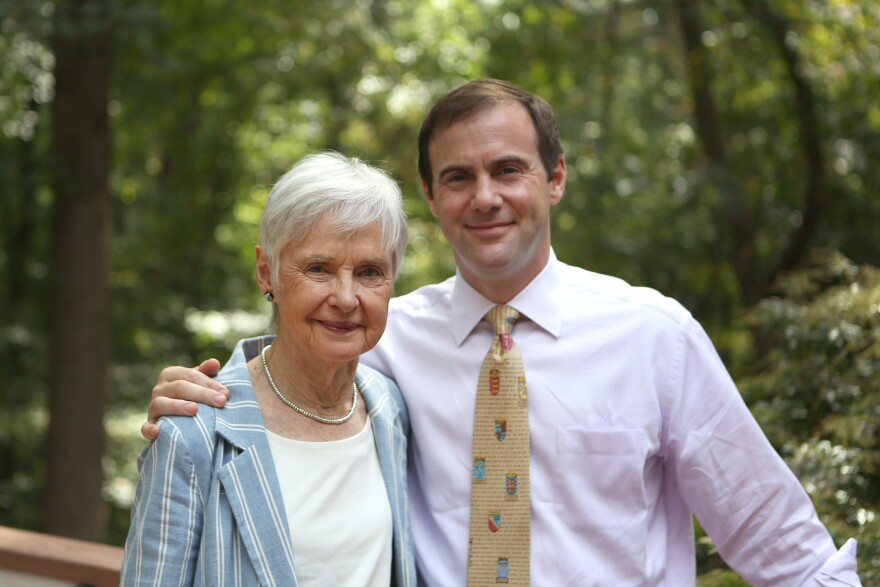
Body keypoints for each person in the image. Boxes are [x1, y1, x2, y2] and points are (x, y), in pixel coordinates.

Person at [143, 80, 861, 585]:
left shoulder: (654, 338)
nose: (484, 197)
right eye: (458, 177)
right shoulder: (385, 346)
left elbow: (789, 555)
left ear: (554, 180)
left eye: (508, 170)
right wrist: (192, 398)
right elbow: (296, 361)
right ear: (430, 196)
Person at [122, 151, 416, 586]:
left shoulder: (386, 406)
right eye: (319, 268)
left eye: (370, 272)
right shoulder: (194, 432)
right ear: (267, 273)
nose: (347, 297)